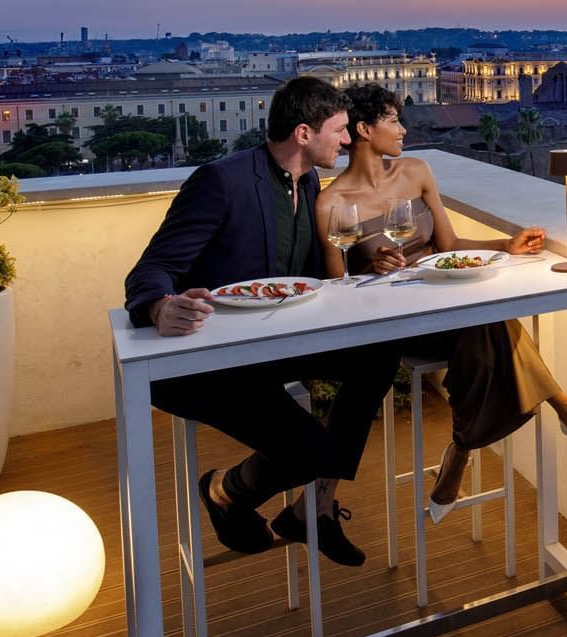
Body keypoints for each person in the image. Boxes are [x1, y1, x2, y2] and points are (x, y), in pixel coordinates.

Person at [125, 76, 397, 566]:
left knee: (379, 353)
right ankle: (225, 493)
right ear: (302, 134)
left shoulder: (308, 179)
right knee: (311, 452)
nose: (346, 139)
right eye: (338, 130)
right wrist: (159, 307)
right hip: (216, 362)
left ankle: (313, 509)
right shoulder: (221, 181)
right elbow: (151, 271)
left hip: (281, 345)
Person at [317, 83, 567, 523]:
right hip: (396, 321)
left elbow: (448, 245)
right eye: (393, 120)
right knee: (493, 320)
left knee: (487, 321)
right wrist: (370, 266)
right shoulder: (332, 201)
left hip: (447, 304)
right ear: (364, 129)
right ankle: (558, 409)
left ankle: (463, 452)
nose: (403, 129)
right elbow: (337, 288)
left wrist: (506, 244)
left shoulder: (416, 171)